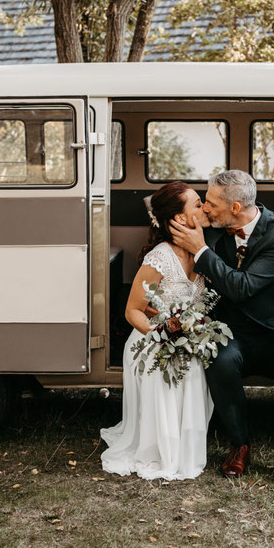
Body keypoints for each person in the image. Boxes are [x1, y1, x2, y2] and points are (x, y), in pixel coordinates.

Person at [169, 170, 274, 489]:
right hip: (232, 331)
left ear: (235, 208)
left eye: (210, 203)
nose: (206, 209)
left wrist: (201, 252)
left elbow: (242, 287)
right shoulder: (210, 231)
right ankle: (240, 444)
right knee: (219, 359)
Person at [99, 181, 214, 481]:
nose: (205, 208)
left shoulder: (204, 252)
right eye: (198, 204)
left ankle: (183, 444)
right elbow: (132, 310)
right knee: (169, 370)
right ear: (179, 219)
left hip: (187, 340)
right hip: (153, 341)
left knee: (195, 368)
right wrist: (163, 334)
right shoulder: (161, 257)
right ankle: (159, 448)